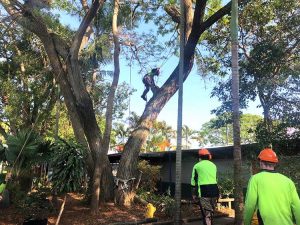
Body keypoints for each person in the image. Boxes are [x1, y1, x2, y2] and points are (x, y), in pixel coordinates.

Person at [244, 148, 300, 225]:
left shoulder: (255, 179)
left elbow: (250, 205)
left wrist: (246, 223)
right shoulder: (288, 181)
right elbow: (297, 207)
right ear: (275, 163)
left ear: (261, 162)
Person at [191, 148, 219, 225]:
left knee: (207, 215)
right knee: (211, 213)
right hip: (215, 191)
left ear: (200, 157)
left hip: (204, 192)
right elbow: (216, 178)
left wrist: (193, 193)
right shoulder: (213, 165)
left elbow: (193, 180)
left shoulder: (197, 166)